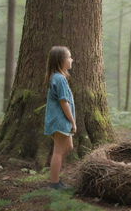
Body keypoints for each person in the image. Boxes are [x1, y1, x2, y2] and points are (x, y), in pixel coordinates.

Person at [44, 46, 77, 190]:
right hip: (60, 120)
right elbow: (64, 102)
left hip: (60, 121)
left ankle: (55, 175)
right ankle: (54, 183)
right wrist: (72, 121)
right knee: (58, 151)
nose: (72, 59)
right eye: (69, 57)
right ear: (61, 60)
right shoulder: (60, 78)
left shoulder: (57, 77)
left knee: (68, 147)